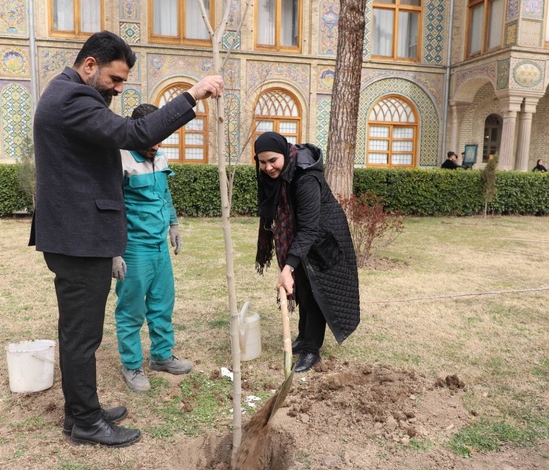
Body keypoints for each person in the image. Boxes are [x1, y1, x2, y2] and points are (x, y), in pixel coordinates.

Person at [29, 30, 223, 448]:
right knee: (82, 337)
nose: (118, 89)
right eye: (115, 80)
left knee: (81, 334)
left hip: (75, 235)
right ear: (90, 66)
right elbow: (135, 135)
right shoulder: (73, 98)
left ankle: (80, 412)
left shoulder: (66, 95)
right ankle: (84, 422)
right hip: (79, 239)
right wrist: (192, 95)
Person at [254, 132, 360, 373]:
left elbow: (310, 227)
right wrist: (292, 266)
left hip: (323, 236)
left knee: (316, 292)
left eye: (273, 160)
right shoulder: (276, 174)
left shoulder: (306, 177)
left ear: (284, 154)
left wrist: (287, 267)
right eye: (262, 162)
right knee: (302, 288)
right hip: (301, 235)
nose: (268, 167)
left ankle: (312, 349)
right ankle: (304, 337)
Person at [113, 103, 192, 393]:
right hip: (134, 248)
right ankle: (132, 365)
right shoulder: (120, 160)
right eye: (151, 139)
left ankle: (161, 356)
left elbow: (164, 194)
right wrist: (114, 251)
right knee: (131, 310)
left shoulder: (160, 157)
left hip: (159, 246)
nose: (156, 145)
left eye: (161, 138)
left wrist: (173, 225)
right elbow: (111, 208)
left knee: (162, 303)